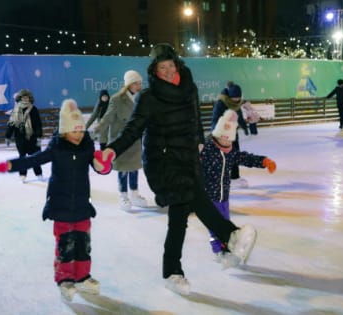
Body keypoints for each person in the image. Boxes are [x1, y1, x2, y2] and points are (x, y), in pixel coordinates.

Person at [95, 43, 258, 295]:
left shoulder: (189, 89)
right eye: (162, 67)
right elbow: (133, 129)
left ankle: (172, 271)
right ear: (154, 70)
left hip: (188, 159)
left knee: (179, 217)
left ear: (177, 64)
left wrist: (201, 144)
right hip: (163, 162)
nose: (168, 71)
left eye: (171, 65)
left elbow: (195, 120)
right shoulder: (148, 98)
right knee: (195, 196)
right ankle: (230, 235)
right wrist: (111, 149)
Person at [0, 99, 113, 302]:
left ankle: (82, 276)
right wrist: (7, 166)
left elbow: (101, 167)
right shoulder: (56, 149)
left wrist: (105, 165)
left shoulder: (86, 149)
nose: (79, 135)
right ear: (64, 131)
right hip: (60, 206)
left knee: (83, 244)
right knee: (65, 245)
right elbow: (31, 160)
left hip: (81, 206)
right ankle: (64, 279)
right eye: (74, 131)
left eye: (81, 131)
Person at [200, 109, 276, 266]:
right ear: (217, 136)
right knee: (214, 227)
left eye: (230, 141)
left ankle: (228, 247)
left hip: (224, 196)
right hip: (208, 197)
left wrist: (263, 161)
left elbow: (244, 157)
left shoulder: (229, 152)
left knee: (225, 223)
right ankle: (218, 251)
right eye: (224, 140)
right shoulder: (207, 150)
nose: (227, 144)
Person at [94, 70, 148, 211]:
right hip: (120, 140)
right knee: (123, 169)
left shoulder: (140, 98)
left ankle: (135, 194)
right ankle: (123, 196)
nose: (139, 86)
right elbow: (108, 117)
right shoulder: (117, 99)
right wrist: (98, 128)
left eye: (140, 83)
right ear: (129, 83)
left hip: (135, 140)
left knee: (134, 168)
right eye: (137, 83)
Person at [211, 82, 249, 188]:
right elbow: (214, 118)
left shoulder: (236, 104)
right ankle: (221, 179)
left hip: (232, 134)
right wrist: (215, 132)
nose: (237, 100)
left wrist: (245, 127)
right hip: (222, 135)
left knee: (235, 154)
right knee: (223, 157)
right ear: (230, 96)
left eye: (238, 97)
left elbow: (240, 116)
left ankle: (235, 177)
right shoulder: (221, 103)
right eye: (235, 97)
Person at [5, 89, 44, 182]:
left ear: (30, 98)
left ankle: (38, 173)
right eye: (23, 98)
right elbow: (11, 124)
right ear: (20, 98)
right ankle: (22, 174)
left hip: (32, 138)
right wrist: (8, 136)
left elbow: (38, 124)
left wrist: (39, 136)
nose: (25, 99)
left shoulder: (33, 109)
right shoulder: (15, 110)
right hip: (20, 138)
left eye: (27, 98)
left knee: (35, 156)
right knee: (22, 157)